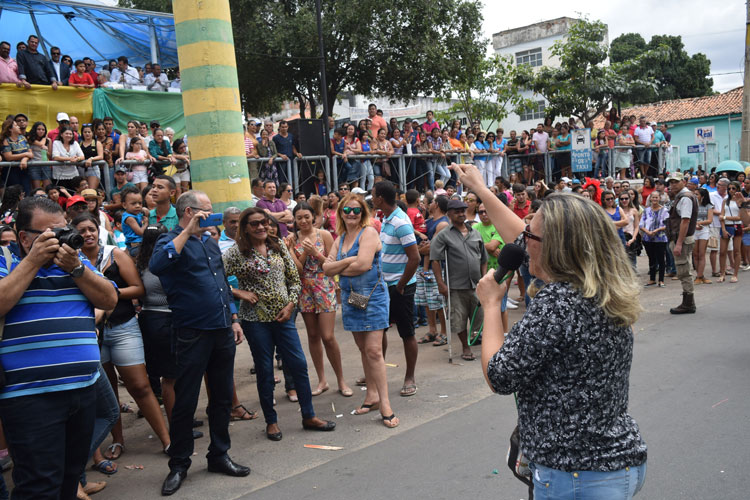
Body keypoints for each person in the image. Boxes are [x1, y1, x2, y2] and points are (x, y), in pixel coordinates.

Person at [452, 162, 647, 500]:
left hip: (576, 475)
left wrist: (490, 306)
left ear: (556, 247)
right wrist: (483, 191)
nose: (521, 243)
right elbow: (527, 233)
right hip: (615, 463)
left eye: (529, 237)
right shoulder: (603, 287)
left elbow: (500, 375)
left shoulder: (558, 303)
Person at [0, 196, 118, 499]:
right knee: (38, 485)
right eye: (48, 235)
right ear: (24, 237)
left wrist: (77, 268)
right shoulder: (6, 260)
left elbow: (108, 300)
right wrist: (32, 261)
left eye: (61, 230)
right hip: (30, 396)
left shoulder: (75, 261)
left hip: (82, 389)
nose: (59, 240)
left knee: (68, 479)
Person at [150, 191, 249, 496]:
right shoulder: (169, 241)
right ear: (191, 212)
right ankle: (179, 464)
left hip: (220, 329)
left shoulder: (209, 241)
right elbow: (158, 265)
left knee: (221, 398)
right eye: (208, 211)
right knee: (186, 401)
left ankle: (219, 454)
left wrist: (233, 318)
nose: (213, 216)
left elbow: (221, 284)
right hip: (191, 331)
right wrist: (187, 232)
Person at [223, 207, 336, 442]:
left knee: (298, 365)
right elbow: (216, 280)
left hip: (284, 318)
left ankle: (309, 415)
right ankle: (271, 422)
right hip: (256, 322)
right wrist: (239, 293)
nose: (262, 227)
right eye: (255, 224)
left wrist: (291, 304)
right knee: (265, 372)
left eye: (264, 222)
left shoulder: (277, 245)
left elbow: (294, 279)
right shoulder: (236, 253)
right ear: (245, 227)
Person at [73, 213, 171, 462]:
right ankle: (118, 440)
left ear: (99, 230)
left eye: (91, 229)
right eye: (81, 231)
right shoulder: (71, 261)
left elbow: (139, 288)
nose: (88, 234)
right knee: (108, 394)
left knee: (140, 386)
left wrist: (108, 292)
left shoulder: (114, 254)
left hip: (123, 326)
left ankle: (167, 440)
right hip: (90, 333)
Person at [322, 194, 399, 428]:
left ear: (363, 213)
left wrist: (339, 266)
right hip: (350, 298)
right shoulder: (341, 238)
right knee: (363, 349)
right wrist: (348, 261)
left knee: (374, 350)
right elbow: (326, 268)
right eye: (347, 210)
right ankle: (372, 395)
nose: (352, 214)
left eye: (356, 210)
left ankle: (385, 403)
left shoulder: (369, 233)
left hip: (373, 296)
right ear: (341, 213)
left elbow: (364, 265)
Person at [287, 203, 352, 397]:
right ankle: (322, 380)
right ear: (295, 220)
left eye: (307, 216)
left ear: (314, 216)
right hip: (304, 288)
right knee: (313, 336)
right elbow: (297, 269)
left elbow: (333, 264)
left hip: (323, 285)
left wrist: (315, 253)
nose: (303, 221)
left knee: (328, 336)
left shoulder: (323, 235)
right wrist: (301, 251)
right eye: (299, 218)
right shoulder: (292, 239)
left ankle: (341, 380)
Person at [371, 181, 420, 397]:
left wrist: (400, 285)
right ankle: (375, 370)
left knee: (407, 333)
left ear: (380, 198)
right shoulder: (385, 219)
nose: (371, 198)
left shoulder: (400, 222)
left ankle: (409, 377)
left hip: (400, 288)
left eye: (373, 195)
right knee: (378, 330)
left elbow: (415, 258)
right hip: (384, 286)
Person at [430, 198, 488, 361]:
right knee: (459, 319)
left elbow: (483, 258)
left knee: (479, 317)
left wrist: (483, 279)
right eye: (457, 211)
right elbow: (435, 260)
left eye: (463, 211)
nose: (461, 214)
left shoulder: (475, 233)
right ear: (449, 214)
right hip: (456, 286)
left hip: (476, 284)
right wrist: (441, 284)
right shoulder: (444, 236)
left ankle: (477, 341)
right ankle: (465, 346)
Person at [415, 194, 449, 345]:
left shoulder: (443, 223)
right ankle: (432, 329)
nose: (429, 203)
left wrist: (418, 250)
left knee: (438, 300)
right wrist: (419, 249)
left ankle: (444, 331)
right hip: (423, 266)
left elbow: (433, 247)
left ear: (438, 205)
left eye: (433, 201)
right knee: (427, 301)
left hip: (436, 267)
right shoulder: (428, 221)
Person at [666, 174, 698, 314]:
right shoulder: (682, 196)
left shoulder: (685, 198)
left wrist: (679, 243)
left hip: (682, 240)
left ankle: (688, 303)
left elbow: (685, 221)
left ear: (683, 182)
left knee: (684, 271)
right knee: (684, 269)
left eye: (676, 182)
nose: (673, 185)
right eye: (671, 182)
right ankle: (688, 301)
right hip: (681, 238)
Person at [639, 192, 669, 287]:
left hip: (660, 238)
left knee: (661, 259)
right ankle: (652, 279)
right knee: (651, 259)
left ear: (659, 198)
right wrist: (647, 232)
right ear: (650, 198)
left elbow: (666, 224)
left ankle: (661, 280)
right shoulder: (646, 210)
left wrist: (656, 230)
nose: (655, 199)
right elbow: (641, 224)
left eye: (656, 197)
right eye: (653, 197)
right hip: (647, 238)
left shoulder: (664, 210)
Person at [719, 181, 743, 284]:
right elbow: (721, 216)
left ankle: (735, 274)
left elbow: (740, 217)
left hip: (737, 226)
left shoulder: (741, 201)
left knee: (736, 251)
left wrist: (725, 217)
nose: (731, 190)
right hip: (727, 226)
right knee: (722, 251)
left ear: (738, 189)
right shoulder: (725, 201)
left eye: (733, 188)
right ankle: (722, 273)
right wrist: (723, 229)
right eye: (729, 188)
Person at [1, 117, 33, 194]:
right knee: (14, 193)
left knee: (26, 192)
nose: (18, 126)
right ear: (10, 129)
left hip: (24, 169)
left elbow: (31, 154)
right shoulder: (6, 140)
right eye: (16, 125)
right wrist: (25, 154)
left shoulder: (23, 138)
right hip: (11, 171)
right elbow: (8, 157)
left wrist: (24, 159)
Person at [120, 186, 149, 257]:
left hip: (140, 244)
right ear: (124, 205)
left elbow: (145, 212)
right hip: (135, 246)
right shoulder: (129, 218)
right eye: (133, 203)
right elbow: (140, 232)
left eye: (140, 203)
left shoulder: (136, 213)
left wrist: (144, 210)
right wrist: (146, 223)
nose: (137, 206)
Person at [692, 188, 713, 284]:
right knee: (695, 254)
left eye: (697, 194)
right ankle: (699, 275)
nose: (695, 196)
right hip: (693, 230)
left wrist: (699, 223)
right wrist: (695, 225)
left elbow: (709, 220)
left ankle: (700, 276)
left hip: (704, 230)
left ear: (702, 196)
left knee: (701, 253)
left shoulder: (709, 206)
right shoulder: (692, 205)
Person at [80, 124, 104, 190]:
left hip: (93, 168)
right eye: (85, 132)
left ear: (93, 133)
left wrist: (91, 159)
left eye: (89, 132)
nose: (87, 134)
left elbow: (101, 156)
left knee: (91, 191)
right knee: (83, 191)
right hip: (81, 168)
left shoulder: (97, 143)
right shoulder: (79, 143)